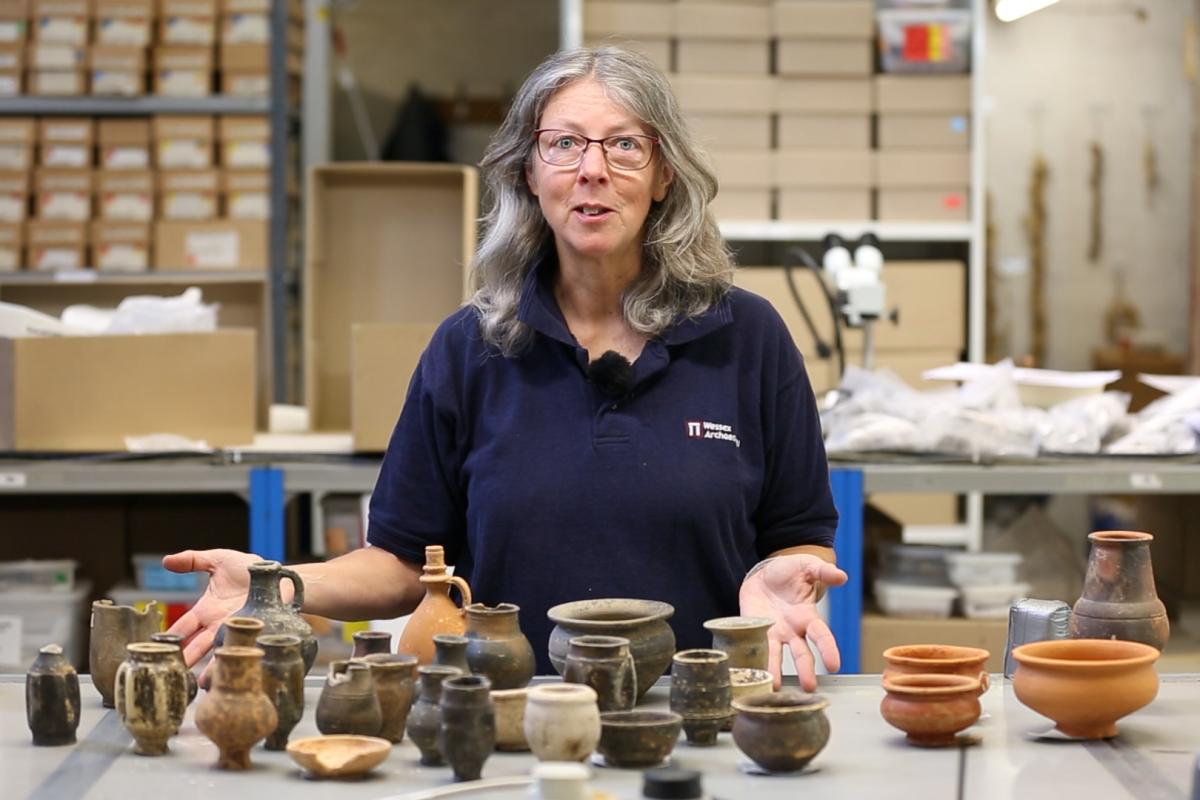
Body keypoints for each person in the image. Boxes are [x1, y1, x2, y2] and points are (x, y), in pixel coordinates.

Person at [164, 46, 847, 690]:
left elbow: (801, 537)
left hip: (706, 713)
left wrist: (786, 576)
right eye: (564, 144)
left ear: (665, 173)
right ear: (529, 171)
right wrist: (280, 586)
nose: (593, 170)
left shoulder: (747, 337)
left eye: (625, 145)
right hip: (515, 716)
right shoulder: (470, 348)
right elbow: (403, 563)